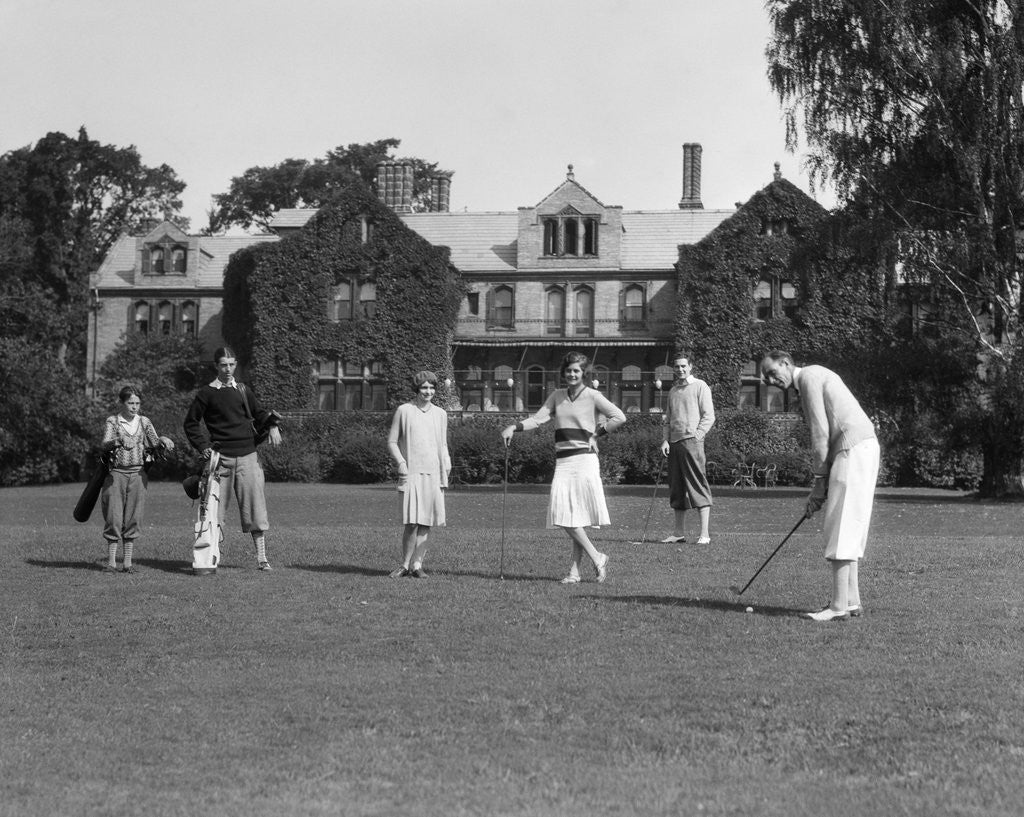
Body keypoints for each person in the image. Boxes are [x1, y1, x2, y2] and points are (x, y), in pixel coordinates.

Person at [760, 350, 880, 622]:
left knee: (840, 526)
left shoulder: (809, 378)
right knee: (850, 526)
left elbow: (820, 434)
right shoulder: (816, 375)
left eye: (772, 372)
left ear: (786, 363)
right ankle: (851, 602)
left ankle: (838, 606)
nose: (769, 380)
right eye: (765, 377)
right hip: (862, 447)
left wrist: (818, 483)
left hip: (851, 448)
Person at [501, 351, 627, 584]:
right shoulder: (557, 396)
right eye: (568, 370)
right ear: (564, 372)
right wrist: (514, 427)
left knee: (568, 515)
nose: (571, 374)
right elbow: (537, 420)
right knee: (567, 514)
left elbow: (619, 417)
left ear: (584, 373)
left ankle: (590, 561)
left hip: (584, 460)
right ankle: (580, 568)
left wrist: (596, 435)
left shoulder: (593, 395)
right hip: (564, 461)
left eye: (576, 370)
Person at [184, 346, 282, 571]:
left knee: (256, 509)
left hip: (248, 458)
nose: (228, 369)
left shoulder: (243, 390)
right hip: (220, 461)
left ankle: (261, 558)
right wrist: (203, 447)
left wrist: (274, 425)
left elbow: (260, 414)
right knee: (213, 514)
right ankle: (211, 558)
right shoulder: (206, 393)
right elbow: (190, 423)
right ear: (216, 366)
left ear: (235, 365)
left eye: (231, 364)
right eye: (223, 365)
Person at [100, 385, 174, 573]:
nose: (134, 407)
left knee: (134, 517)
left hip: (138, 474)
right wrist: (118, 441)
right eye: (130, 403)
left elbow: (155, 443)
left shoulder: (144, 422)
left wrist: (164, 440)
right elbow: (104, 444)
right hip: (115, 474)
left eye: (137, 403)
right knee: (114, 516)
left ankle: (128, 563)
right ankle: (111, 563)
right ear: (122, 403)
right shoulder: (113, 422)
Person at [386, 370, 452, 578]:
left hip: (434, 473)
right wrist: (401, 463)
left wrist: (447, 463)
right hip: (412, 473)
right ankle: (404, 564)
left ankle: (417, 565)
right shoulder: (404, 411)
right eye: (424, 387)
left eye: (432, 388)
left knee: (426, 521)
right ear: (417, 389)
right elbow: (392, 442)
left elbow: (442, 444)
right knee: (411, 522)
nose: (428, 391)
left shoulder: (441, 414)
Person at [659, 353, 715, 545]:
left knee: (698, 485)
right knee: (677, 488)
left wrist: (697, 435)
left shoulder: (700, 386)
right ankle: (678, 533)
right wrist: (665, 441)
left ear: (690, 366)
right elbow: (667, 420)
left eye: (683, 366)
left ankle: (704, 534)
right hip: (674, 445)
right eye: (677, 367)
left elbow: (709, 416)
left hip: (692, 443)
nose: (680, 369)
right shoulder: (673, 390)